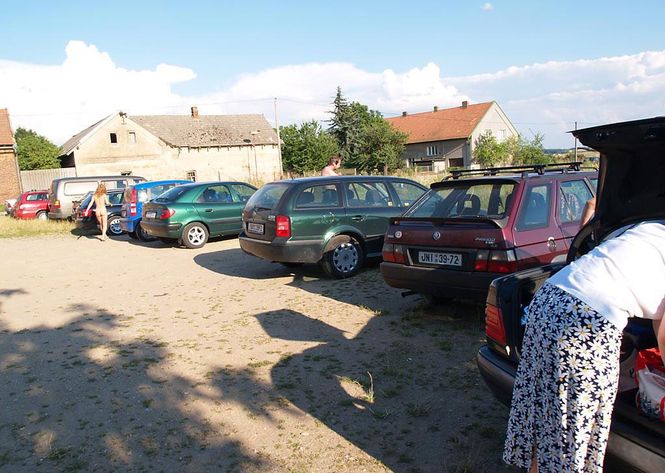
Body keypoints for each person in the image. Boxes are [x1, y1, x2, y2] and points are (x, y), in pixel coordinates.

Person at [503, 220, 665, 473]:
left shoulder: (648, 228)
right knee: (570, 436)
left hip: (549, 299)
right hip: (584, 322)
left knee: (548, 420)